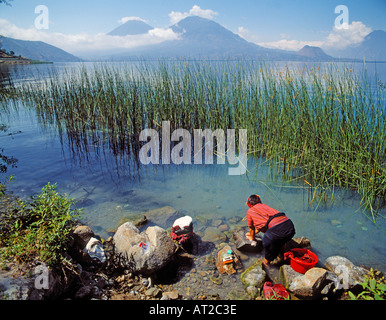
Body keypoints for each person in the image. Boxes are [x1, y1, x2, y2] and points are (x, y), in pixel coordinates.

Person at [245, 194, 295, 268]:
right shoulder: (265, 206)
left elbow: (251, 227)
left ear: (249, 204)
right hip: (289, 225)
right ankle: (282, 257)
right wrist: (252, 234)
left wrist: (252, 238)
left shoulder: (250, 211)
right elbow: (261, 226)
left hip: (276, 228)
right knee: (281, 241)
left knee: (268, 242)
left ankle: (267, 263)